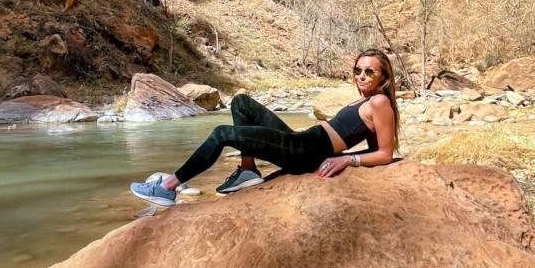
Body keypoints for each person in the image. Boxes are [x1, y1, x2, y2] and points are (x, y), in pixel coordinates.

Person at [129, 49, 401, 207]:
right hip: (302, 141)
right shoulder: (368, 100)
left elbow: (385, 154)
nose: (361, 76)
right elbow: (374, 148)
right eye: (358, 70)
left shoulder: (379, 102)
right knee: (241, 102)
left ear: (384, 77)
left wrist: (346, 161)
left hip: (305, 153)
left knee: (222, 133)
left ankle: (168, 187)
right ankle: (247, 170)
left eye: (369, 72)